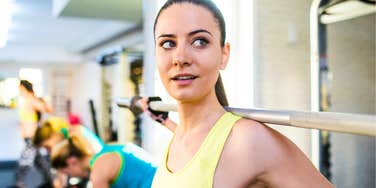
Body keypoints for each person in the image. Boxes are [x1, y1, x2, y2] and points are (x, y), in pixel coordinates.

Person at [149, 0, 334, 187]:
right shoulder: (178, 136)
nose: (180, 58)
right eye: (167, 44)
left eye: (199, 42)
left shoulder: (248, 140)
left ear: (224, 55)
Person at [50, 135, 157, 188]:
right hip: (165, 176)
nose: (72, 177)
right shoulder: (109, 148)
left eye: (67, 173)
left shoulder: (97, 174)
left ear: (71, 162)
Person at [15, 80, 54, 188]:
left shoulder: (32, 100)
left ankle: (20, 183)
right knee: (39, 161)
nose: (19, 92)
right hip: (28, 137)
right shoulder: (27, 101)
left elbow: (48, 109)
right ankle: (50, 181)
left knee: (25, 160)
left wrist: (45, 101)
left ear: (24, 88)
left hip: (32, 137)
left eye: (20, 89)